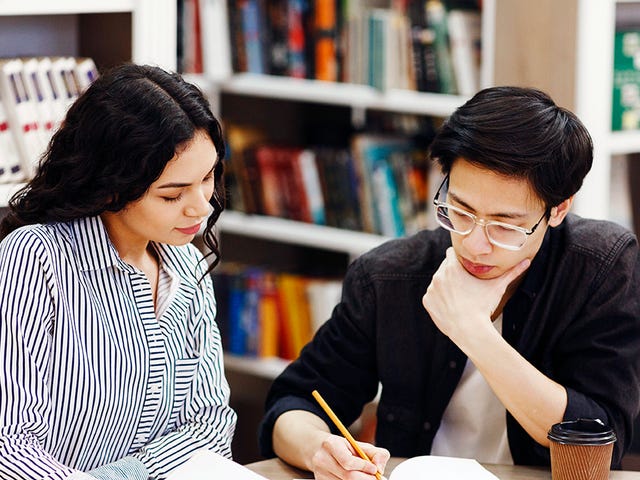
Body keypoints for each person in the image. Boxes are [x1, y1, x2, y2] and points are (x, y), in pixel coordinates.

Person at [258, 86, 640, 479]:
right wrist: (318, 449)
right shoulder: (391, 275)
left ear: (558, 209)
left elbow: (602, 437)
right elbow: (295, 402)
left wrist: (473, 331)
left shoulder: (600, 266)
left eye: (505, 225)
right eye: (460, 209)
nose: (475, 244)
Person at [0, 64, 236, 480]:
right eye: (172, 194)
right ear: (110, 186)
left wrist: (126, 474)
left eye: (207, 178)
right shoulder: (35, 258)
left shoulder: (186, 265)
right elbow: (11, 445)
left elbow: (212, 426)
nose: (201, 206)